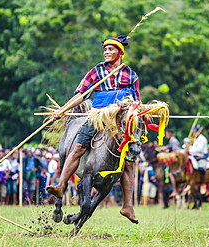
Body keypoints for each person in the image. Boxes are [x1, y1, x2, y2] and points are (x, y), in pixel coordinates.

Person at [46, 35, 140, 223]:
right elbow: (81, 95)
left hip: (121, 118)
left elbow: (137, 101)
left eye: (111, 49)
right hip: (98, 116)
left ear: (120, 52)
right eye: (105, 49)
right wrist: (62, 111)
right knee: (78, 147)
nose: (106, 52)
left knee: (129, 160)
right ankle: (61, 185)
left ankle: (128, 206)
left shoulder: (130, 74)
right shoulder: (96, 71)